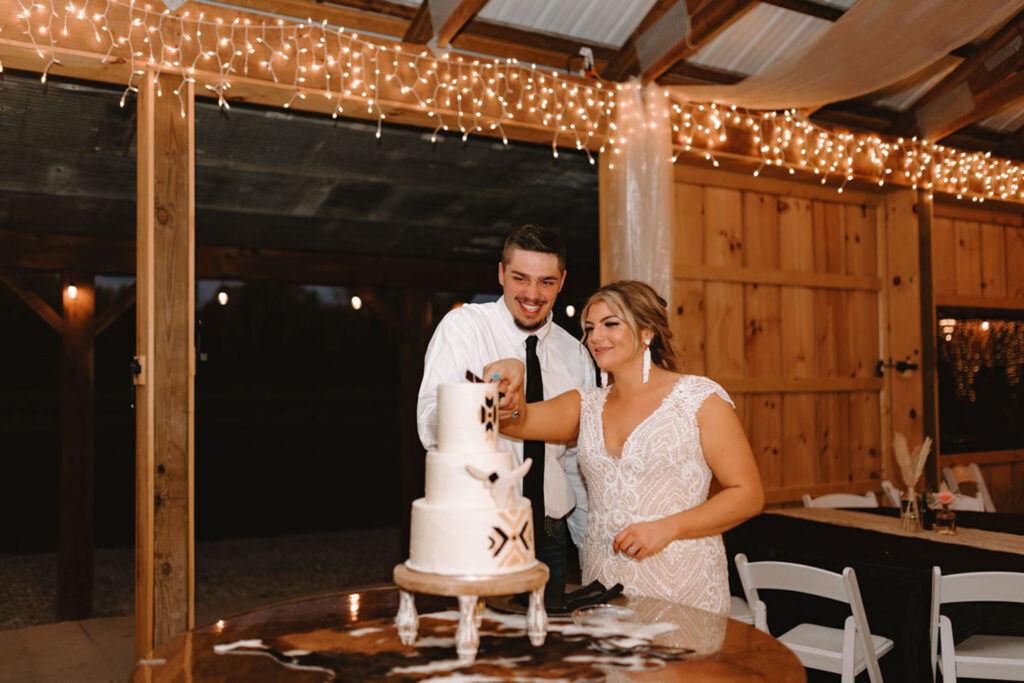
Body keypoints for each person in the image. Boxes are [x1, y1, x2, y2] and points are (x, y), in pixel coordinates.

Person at [484, 280, 763, 614]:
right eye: (589, 328)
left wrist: (667, 527)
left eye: (610, 324)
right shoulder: (585, 404)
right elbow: (517, 420)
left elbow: (747, 495)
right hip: (604, 582)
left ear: (647, 331)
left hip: (681, 579)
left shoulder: (699, 400)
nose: (595, 337)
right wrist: (514, 369)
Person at [416, 224, 595, 609]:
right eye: (520, 279)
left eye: (546, 282)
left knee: (546, 654)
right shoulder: (464, 327)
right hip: (479, 526)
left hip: (551, 535)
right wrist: (478, 406)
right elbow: (428, 423)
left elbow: (579, 460)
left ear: (562, 281)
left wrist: (588, 544)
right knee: (483, 651)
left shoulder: (577, 353)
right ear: (501, 273)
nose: (533, 295)